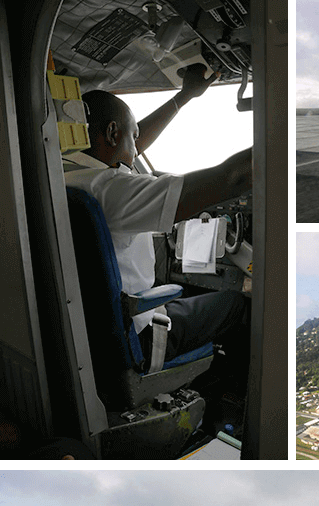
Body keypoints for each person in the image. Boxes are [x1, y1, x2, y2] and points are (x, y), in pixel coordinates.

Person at [63, 64, 251, 370]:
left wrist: (185, 96)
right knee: (233, 304)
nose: (136, 152)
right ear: (112, 133)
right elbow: (233, 178)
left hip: (88, 333)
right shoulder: (112, 190)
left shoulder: (66, 175)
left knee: (188, 298)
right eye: (132, 138)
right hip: (139, 336)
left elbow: (125, 144)